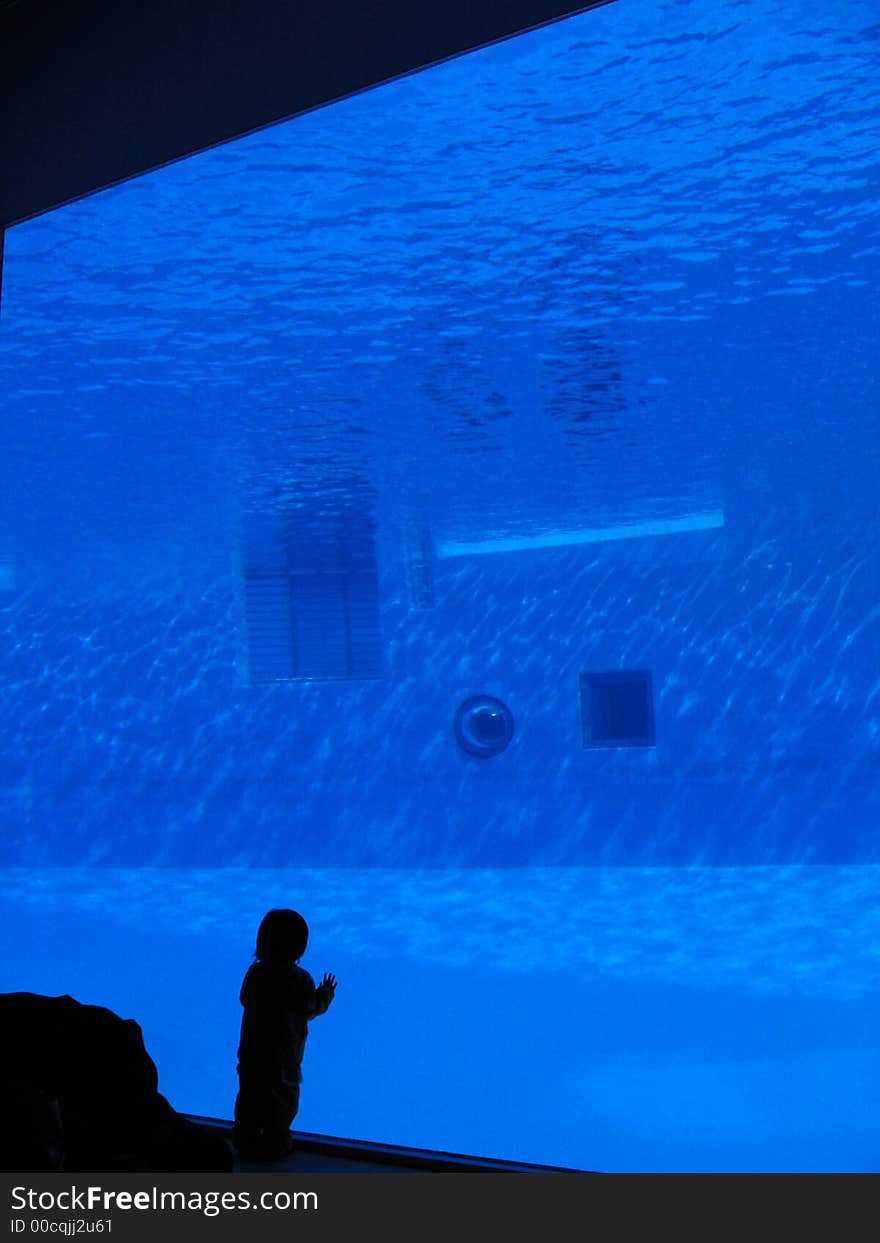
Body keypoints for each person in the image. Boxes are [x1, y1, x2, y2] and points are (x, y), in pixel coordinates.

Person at [233, 909, 337, 1161]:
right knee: (280, 1104)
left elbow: (244, 998)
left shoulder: (255, 973)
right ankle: (275, 1144)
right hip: (283, 1063)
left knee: (248, 1097)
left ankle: (244, 1142)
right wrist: (326, 995)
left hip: (252, 1057)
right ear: (299, 948)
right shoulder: (299, 980)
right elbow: (310, 1007)